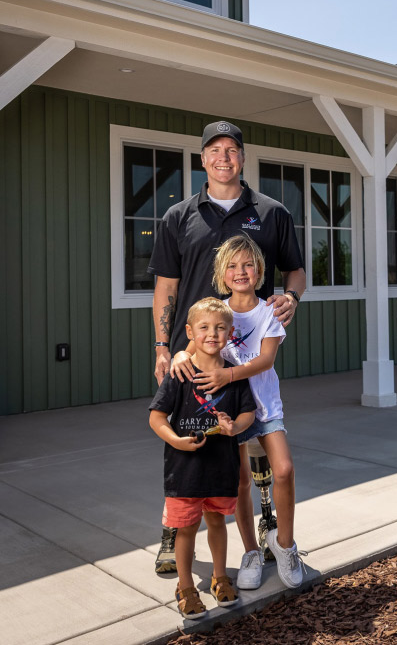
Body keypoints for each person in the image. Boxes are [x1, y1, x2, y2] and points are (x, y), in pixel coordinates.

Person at [149, 120, 307, 574]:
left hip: (246, 354)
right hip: (190, 357)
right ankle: (172, 533)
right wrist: (164, 345)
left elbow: (295, 271)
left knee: (246, 443)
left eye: (231, 149)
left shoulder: (271, 212)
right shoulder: (178, 216)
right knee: (186, 443)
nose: (223, 157)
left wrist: (291, 297)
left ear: (242, 157)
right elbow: (166, 287)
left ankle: (267, 530)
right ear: (203, 159)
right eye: (214, 150)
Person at [173, 235, 304, 589]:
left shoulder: (269, 312)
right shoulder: (218, 311)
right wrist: (180, 355)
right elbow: (192, 346)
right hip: (229, 410)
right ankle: (251, 552)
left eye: (248, 264)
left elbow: (265, 360)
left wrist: (226, 373)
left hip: (265, 406)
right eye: (232, 266)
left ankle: (286, 546)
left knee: (284, 470)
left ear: (259, 270)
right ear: (222, 273)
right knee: (241, 481)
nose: (240, 271)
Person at [148, 298, 257, 619]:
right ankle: (185, 587)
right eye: (205, 327)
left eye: (220, 327)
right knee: (186, 529)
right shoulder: (180, 374)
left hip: (221, 469)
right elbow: (156, 417)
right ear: (190, 331)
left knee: (216, 524)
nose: (213, 334)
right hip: (185, 472)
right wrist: (176, 441)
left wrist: (233, 426)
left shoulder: (234, 377)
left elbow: (248, 414)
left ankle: (220, 577)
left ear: (230, 332)